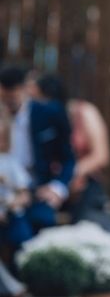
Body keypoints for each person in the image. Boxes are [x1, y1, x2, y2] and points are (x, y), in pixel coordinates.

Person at [29, 74, 110, 224]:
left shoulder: (84, 112)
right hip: (52, 183)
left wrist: (72, 174)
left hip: (84, 182)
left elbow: (101, 155)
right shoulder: (37, 119)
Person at [0, 66, 75, 231]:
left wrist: (58, 188)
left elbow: (68, 157)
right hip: (4, 193)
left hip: (39, 190)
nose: (8, 103)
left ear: (24, 89)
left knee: (41, 223)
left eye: (12, 97)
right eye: (4, 98)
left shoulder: (50, 113)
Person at [0, 104, 32, 256]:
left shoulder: (10, 162)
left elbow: (24, 194)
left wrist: (14, 203)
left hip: (11, 214)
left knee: (21, 234)